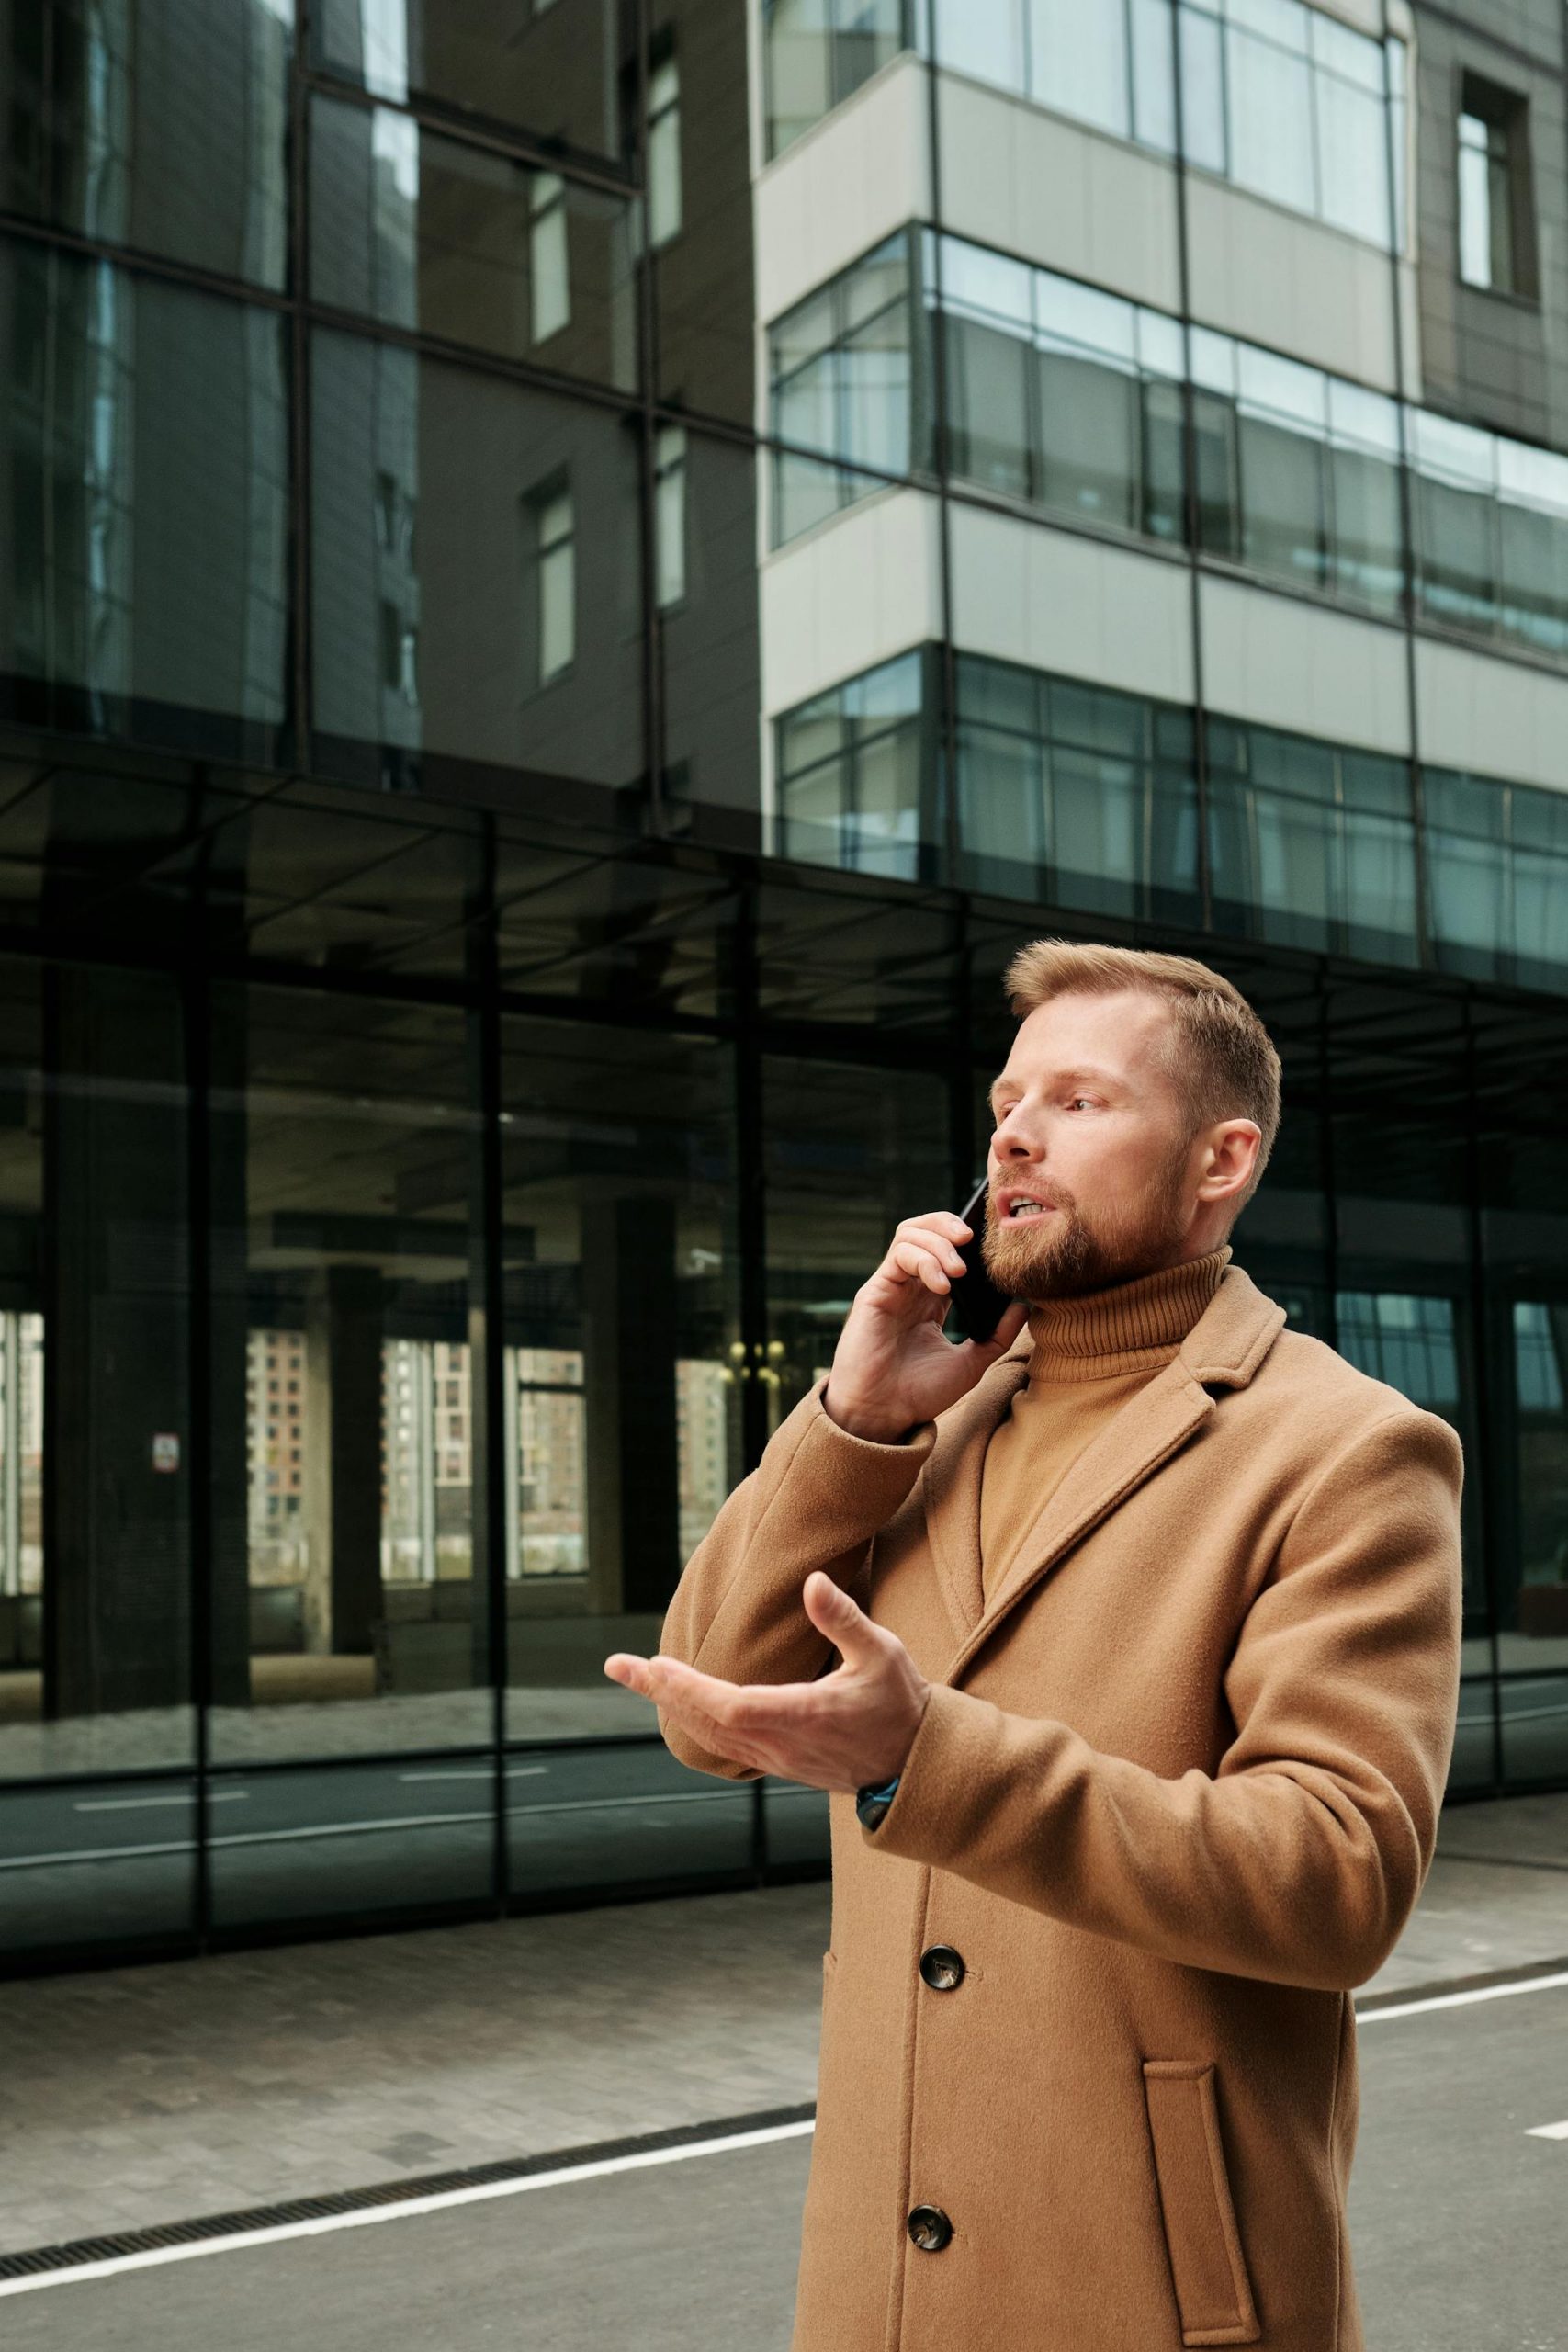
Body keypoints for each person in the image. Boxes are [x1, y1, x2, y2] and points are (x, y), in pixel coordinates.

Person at [605, 940, 1463, 2352]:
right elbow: (707, 1712)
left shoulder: (1347, 1449)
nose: (1012, 1129)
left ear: (1219, 1159)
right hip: (878, 2288)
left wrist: (930, 1756)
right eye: (1009, 1100)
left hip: (1159, 2296)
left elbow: (1338, 1877)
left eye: (1079, 1100)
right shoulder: (919, 1420)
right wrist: (853, 1422)